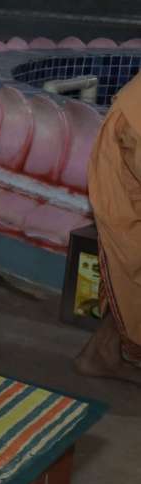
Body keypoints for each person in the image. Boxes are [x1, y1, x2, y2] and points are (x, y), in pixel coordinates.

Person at [78, 73, 141, 385]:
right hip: (135, 124)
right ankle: (102, 353)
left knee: (131, 262)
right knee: (132, 259)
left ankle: (102, 353)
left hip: (132, 117)